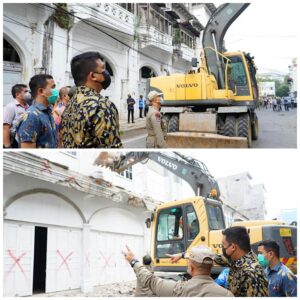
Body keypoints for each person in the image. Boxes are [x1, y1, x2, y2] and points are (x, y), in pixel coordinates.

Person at [61, 51, 122, 148]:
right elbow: (113, 150)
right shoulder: (102, 105)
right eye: (103, 68)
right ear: (93, 76)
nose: (106, 73)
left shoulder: (70, 104)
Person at [123, 245, 233, 297]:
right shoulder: (227, 295)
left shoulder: (179, 290)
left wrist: (133, 261)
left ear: (191, 268)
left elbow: (150, 280)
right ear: (212, 266)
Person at [214, 226, 269, 296]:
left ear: (233, 247)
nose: (222, 248)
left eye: (223, 244)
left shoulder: (251, 274)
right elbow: (218, 258)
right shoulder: (237, 260)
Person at [15, 74, 59, 148]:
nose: (56, 91)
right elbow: (28, 151)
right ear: (41, 91)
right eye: (52, 87)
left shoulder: (47, 112)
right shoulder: (31, 116)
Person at [3, 84, 30, 148]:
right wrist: (7, 146)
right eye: (25, 91)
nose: (28, 93)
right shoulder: (11, 107)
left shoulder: (28, 106)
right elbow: (5, 127)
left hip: (24, 140)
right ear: (17, 94)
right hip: (14, 141)